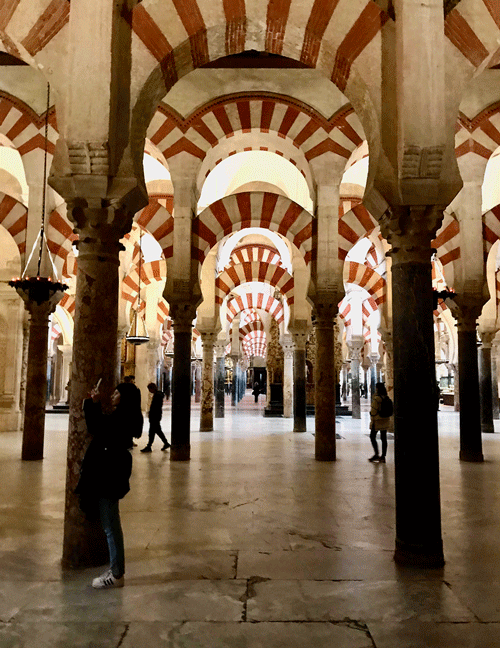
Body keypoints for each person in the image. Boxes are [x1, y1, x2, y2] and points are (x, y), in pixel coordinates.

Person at [76, 382, 138, 589]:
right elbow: (103, 425)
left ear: (125, 397)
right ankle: (115, 569)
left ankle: (117, 573)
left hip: (109, 475)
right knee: (111, 524)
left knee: (111, 527)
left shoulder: (122, 418)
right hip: (112, 473)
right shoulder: (125, 416)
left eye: (117, 392)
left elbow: (98, 427)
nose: (113, 395)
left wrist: (92, 404)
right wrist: (94, 403)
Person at [141, 382, 170, 452]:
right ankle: (164, 443)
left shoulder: (157, 396)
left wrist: (151, 414)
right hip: (156, 416)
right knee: (155, 431)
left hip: (155, 416)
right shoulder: (158, 395)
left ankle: (149, 446)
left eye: (149, 389)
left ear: (152, 388)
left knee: (153, 431)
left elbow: (155, 407)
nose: (149, 391)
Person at [368, 382, 393, 464]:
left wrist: (371, 413)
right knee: (384, 438)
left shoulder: (377, 398)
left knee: (372, 436)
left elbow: (373, 411)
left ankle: (376, 454)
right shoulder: (386, 397)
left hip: (377, 420)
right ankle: (383, 456)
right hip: (385, 420)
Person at [122, 375, 142, 448]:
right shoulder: (134, 389)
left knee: (128, 428)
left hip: (127, 411)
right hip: (131, 411)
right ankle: (129, 442)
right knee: (129, 428)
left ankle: (129, 442)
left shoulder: (129, 388)